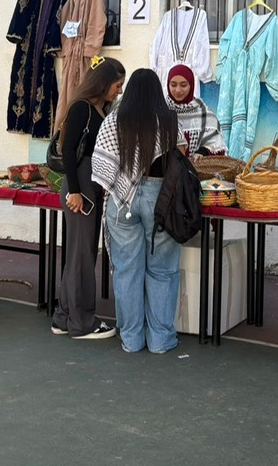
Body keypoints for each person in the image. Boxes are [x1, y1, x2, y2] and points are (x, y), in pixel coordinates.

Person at [90, 68, 186, 354]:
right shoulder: (168, 120)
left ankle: (131, 339)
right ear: (158, 91)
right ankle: (160, 340)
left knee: (127, 271)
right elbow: (182, 156)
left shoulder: (114, 119)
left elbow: (101, 161)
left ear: (130, 90)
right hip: (161, 200)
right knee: (162, 271)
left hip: (122, 201)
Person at [50, 57, 126, 340]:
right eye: (117, 85)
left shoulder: (98, 109)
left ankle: (64, 317)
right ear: (104, 83)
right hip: (81, 186)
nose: (119, 91)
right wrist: (75, 191)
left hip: (87, 186)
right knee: (82, 255)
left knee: (77, 254)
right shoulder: (82, 108)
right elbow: (69, 150)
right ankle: (82, 322)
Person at [165, 64, 226, 156]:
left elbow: (217, 144)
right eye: (173, 85)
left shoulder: (204, 113)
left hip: (198, 165)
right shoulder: (162, 111)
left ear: (191, 85)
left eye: (183, 85)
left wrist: (203, 152)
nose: (178, 90)